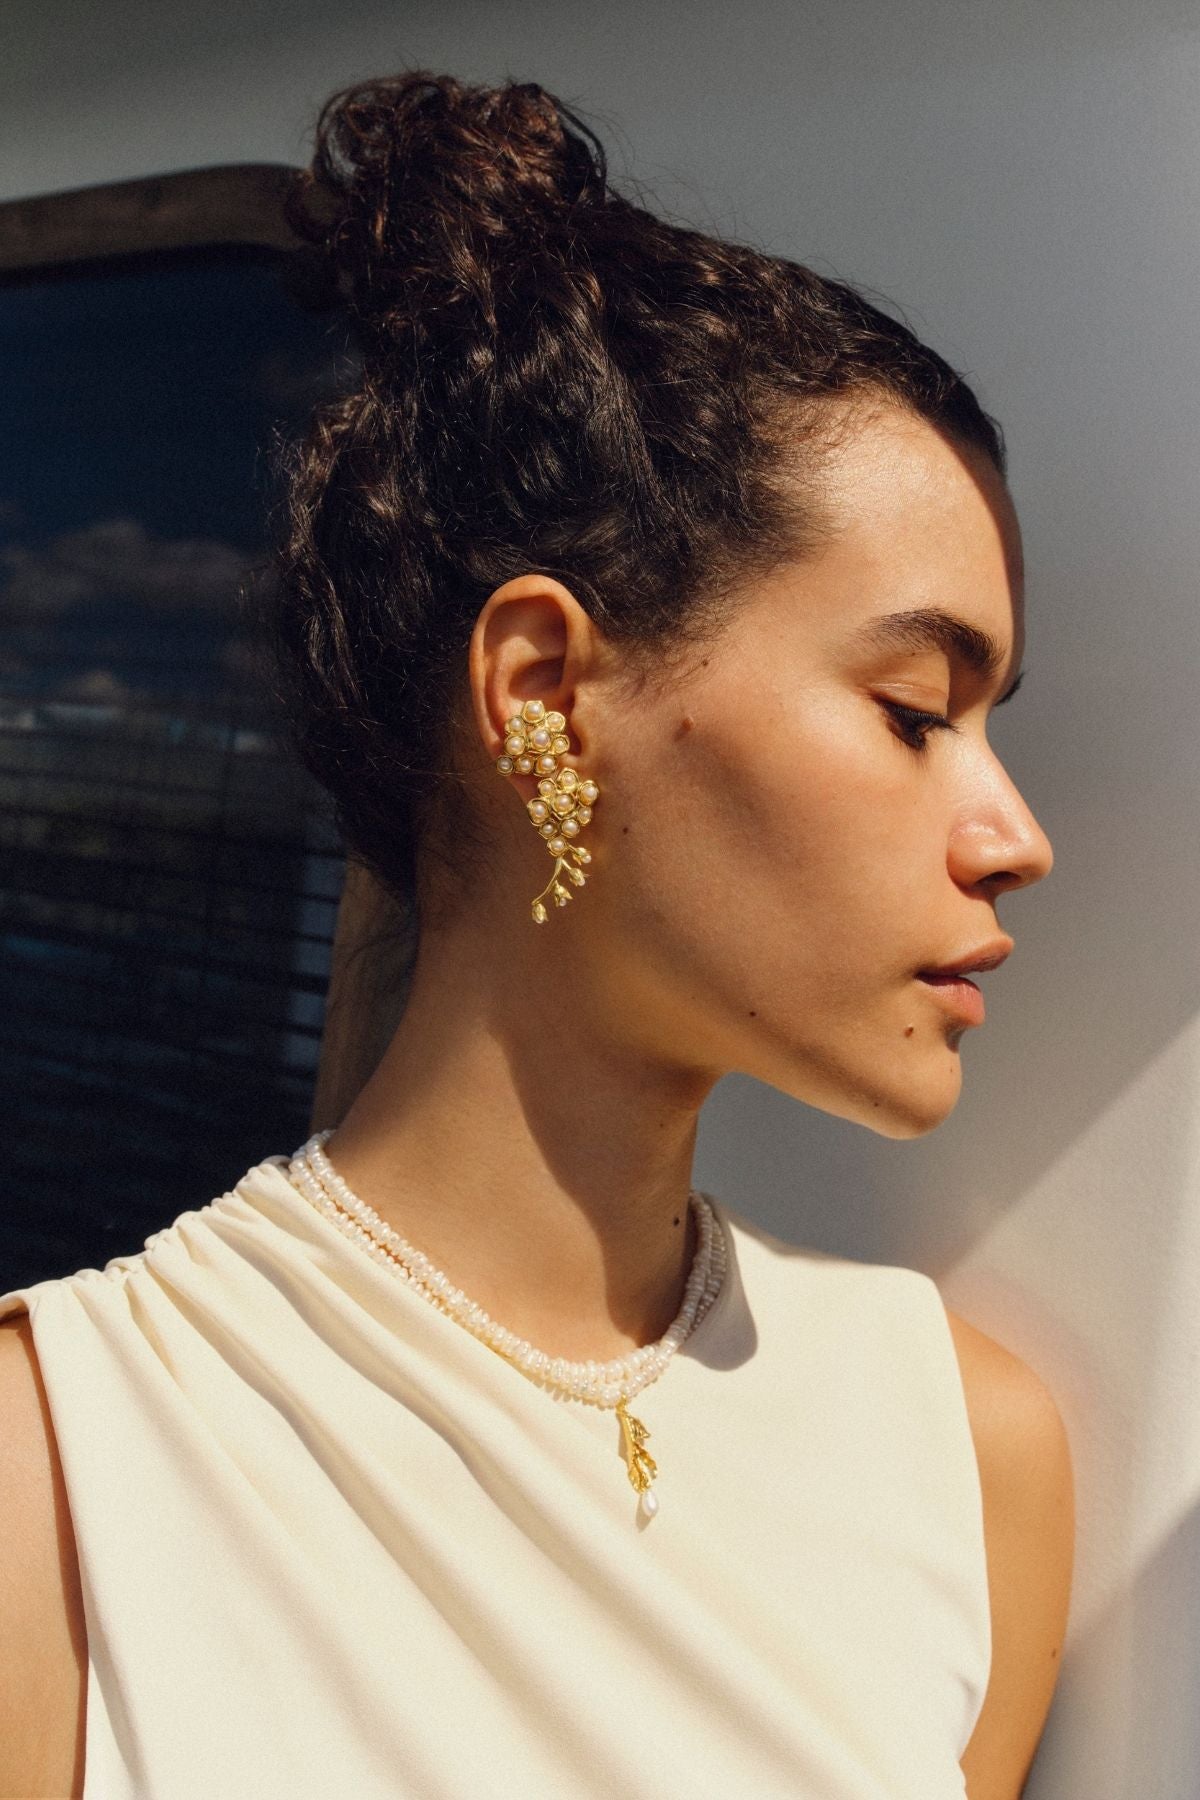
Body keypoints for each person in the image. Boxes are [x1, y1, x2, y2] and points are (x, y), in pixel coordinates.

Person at [0, 69, 1074, 1800]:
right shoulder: (61, 1472)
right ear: (548, 696)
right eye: (911, 709)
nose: (1014, 837)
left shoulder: (973, 1454)